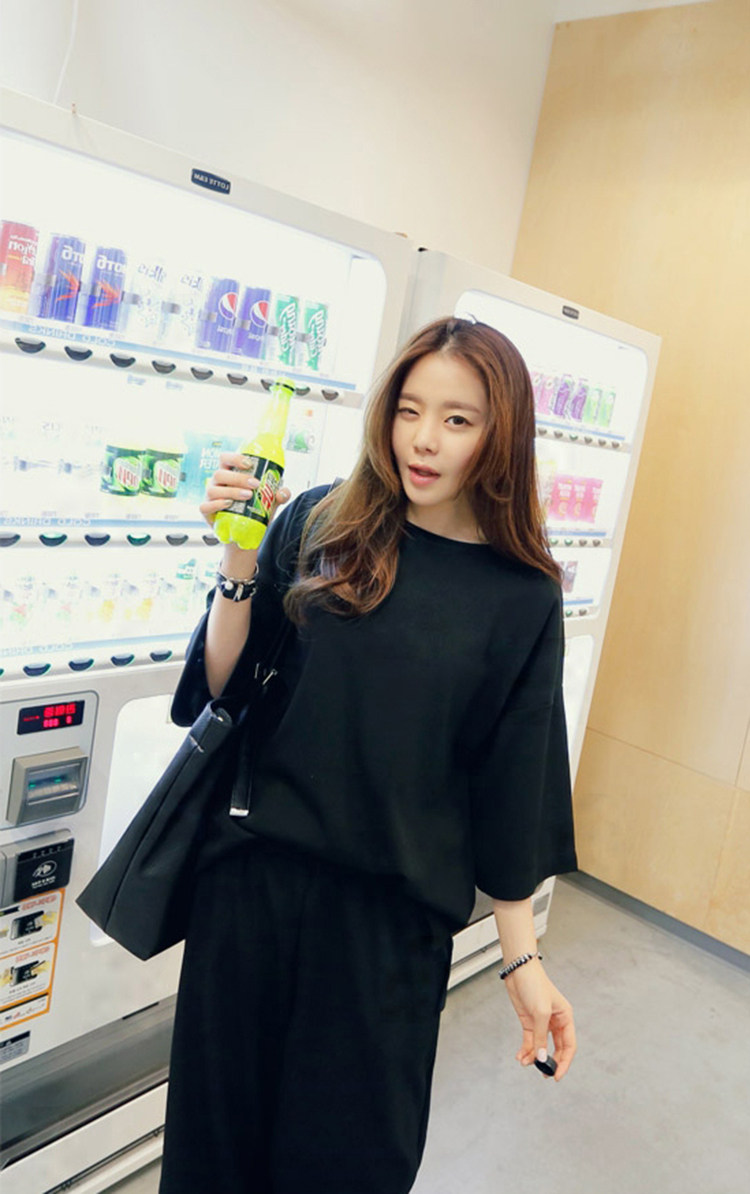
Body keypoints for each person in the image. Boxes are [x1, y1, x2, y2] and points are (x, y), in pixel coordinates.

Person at [158, 316, 578, 1194]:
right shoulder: (322, 519)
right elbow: (229, 690)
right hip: (250, 894)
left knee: (348, 1165)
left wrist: (523, 959)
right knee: (210, 1160)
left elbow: (513, 782)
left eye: (457, 420)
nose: (423, 440)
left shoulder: (522, 594)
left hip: (386, 932)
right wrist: (239, 557)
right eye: (409, 410)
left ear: (502, 435)